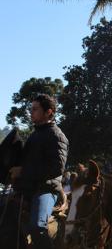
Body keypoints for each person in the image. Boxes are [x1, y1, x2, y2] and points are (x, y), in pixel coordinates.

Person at [9, 94, 68, 249]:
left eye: (35, 109)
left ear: (48, 112)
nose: (31, 112)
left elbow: (57, 168)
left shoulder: (57, 135)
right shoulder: (35, 135)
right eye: (31, 109)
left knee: (37, 227)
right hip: (27, 188)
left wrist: (23, 171)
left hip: (46, 189)